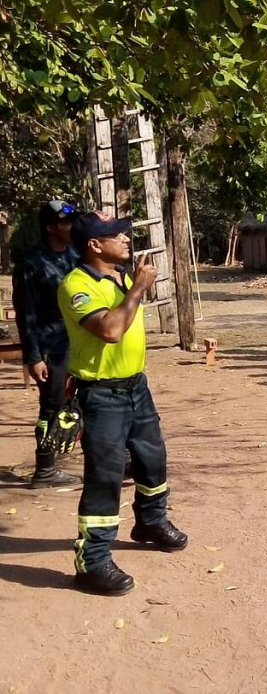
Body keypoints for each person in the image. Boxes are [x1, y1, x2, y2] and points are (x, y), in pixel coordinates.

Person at [57, 212, 187, 596]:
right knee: (105, 475)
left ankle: (150, 522)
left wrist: (134, 285)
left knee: (152, 460)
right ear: (94, 245)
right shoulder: (76, 285)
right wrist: (138, 290)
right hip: (101, 396)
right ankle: (92, 561)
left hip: (136, 388)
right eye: (117, 235)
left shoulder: (123, 277)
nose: (127, 239)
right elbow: (111, 330)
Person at [11, 200, 82, 488]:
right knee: (52, 406)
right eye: (66, 223)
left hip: (77, 344)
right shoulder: (31, 263)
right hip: (51, 348)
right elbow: (25, 312)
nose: (72, 227)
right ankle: (45, 468)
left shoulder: (75, 255)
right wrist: (33, 356)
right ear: (50, 227)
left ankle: (116, 459)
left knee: (85, 401)